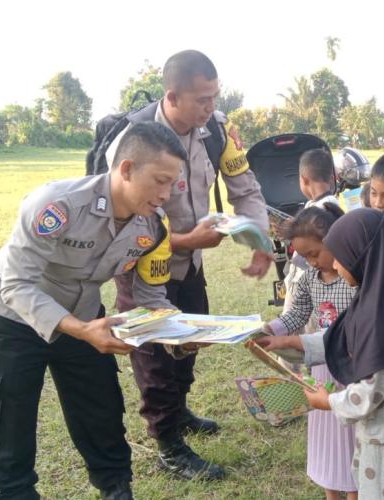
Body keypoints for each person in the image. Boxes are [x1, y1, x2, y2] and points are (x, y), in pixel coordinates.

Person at [0, 122, 186, 500]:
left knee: (100, 408)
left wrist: (183, 333)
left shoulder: (152, 229)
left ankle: (116, 488)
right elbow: (16, 284)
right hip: (13, 316)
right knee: (8, 419)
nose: (166, 195)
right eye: (160, 181)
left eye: (172, 184)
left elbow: (151, 296)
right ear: (126, 169)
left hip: (86, 315)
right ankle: (10, 492)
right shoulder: (56, 204)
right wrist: (82, 330)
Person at [106, 50, 270, 480]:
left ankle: (180, 412)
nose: (210, 107)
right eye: (202, 99)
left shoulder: (215, 130)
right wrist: (183, 239)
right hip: (141, 262)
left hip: (191, 261)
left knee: (191, 339)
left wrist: (259, 239)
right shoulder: (135, 140)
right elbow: (121, 218)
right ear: (172, 96)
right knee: (155, 350)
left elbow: (245, 185)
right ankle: (167, 442)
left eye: (214, 97)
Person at [302, 208, 384, 499]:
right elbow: (340, 338)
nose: (335, 266)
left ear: (362, 258)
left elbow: (373, 389)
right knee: (369, 483)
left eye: (340, 257)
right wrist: (293, 344)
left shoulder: (382, 316)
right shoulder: (380, 295)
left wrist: (329, 402)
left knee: (379, 492)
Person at [258, 204, 358, 500]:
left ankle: (354, 492)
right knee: (326, 436)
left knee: (349, 437)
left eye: (315, 254)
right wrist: (272, 329)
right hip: (321, 367)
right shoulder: (308, 280)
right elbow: (297, 313)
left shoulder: (353, 279)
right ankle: (331, 493)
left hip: (351, 368)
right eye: (305, 257)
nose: (312, 262)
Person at [280, 149, 340, 334]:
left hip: (308, 283)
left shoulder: (323, 213)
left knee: (308, 331)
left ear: (304, 179)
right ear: (332, 177)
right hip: (305, 282)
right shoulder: (318, 206)